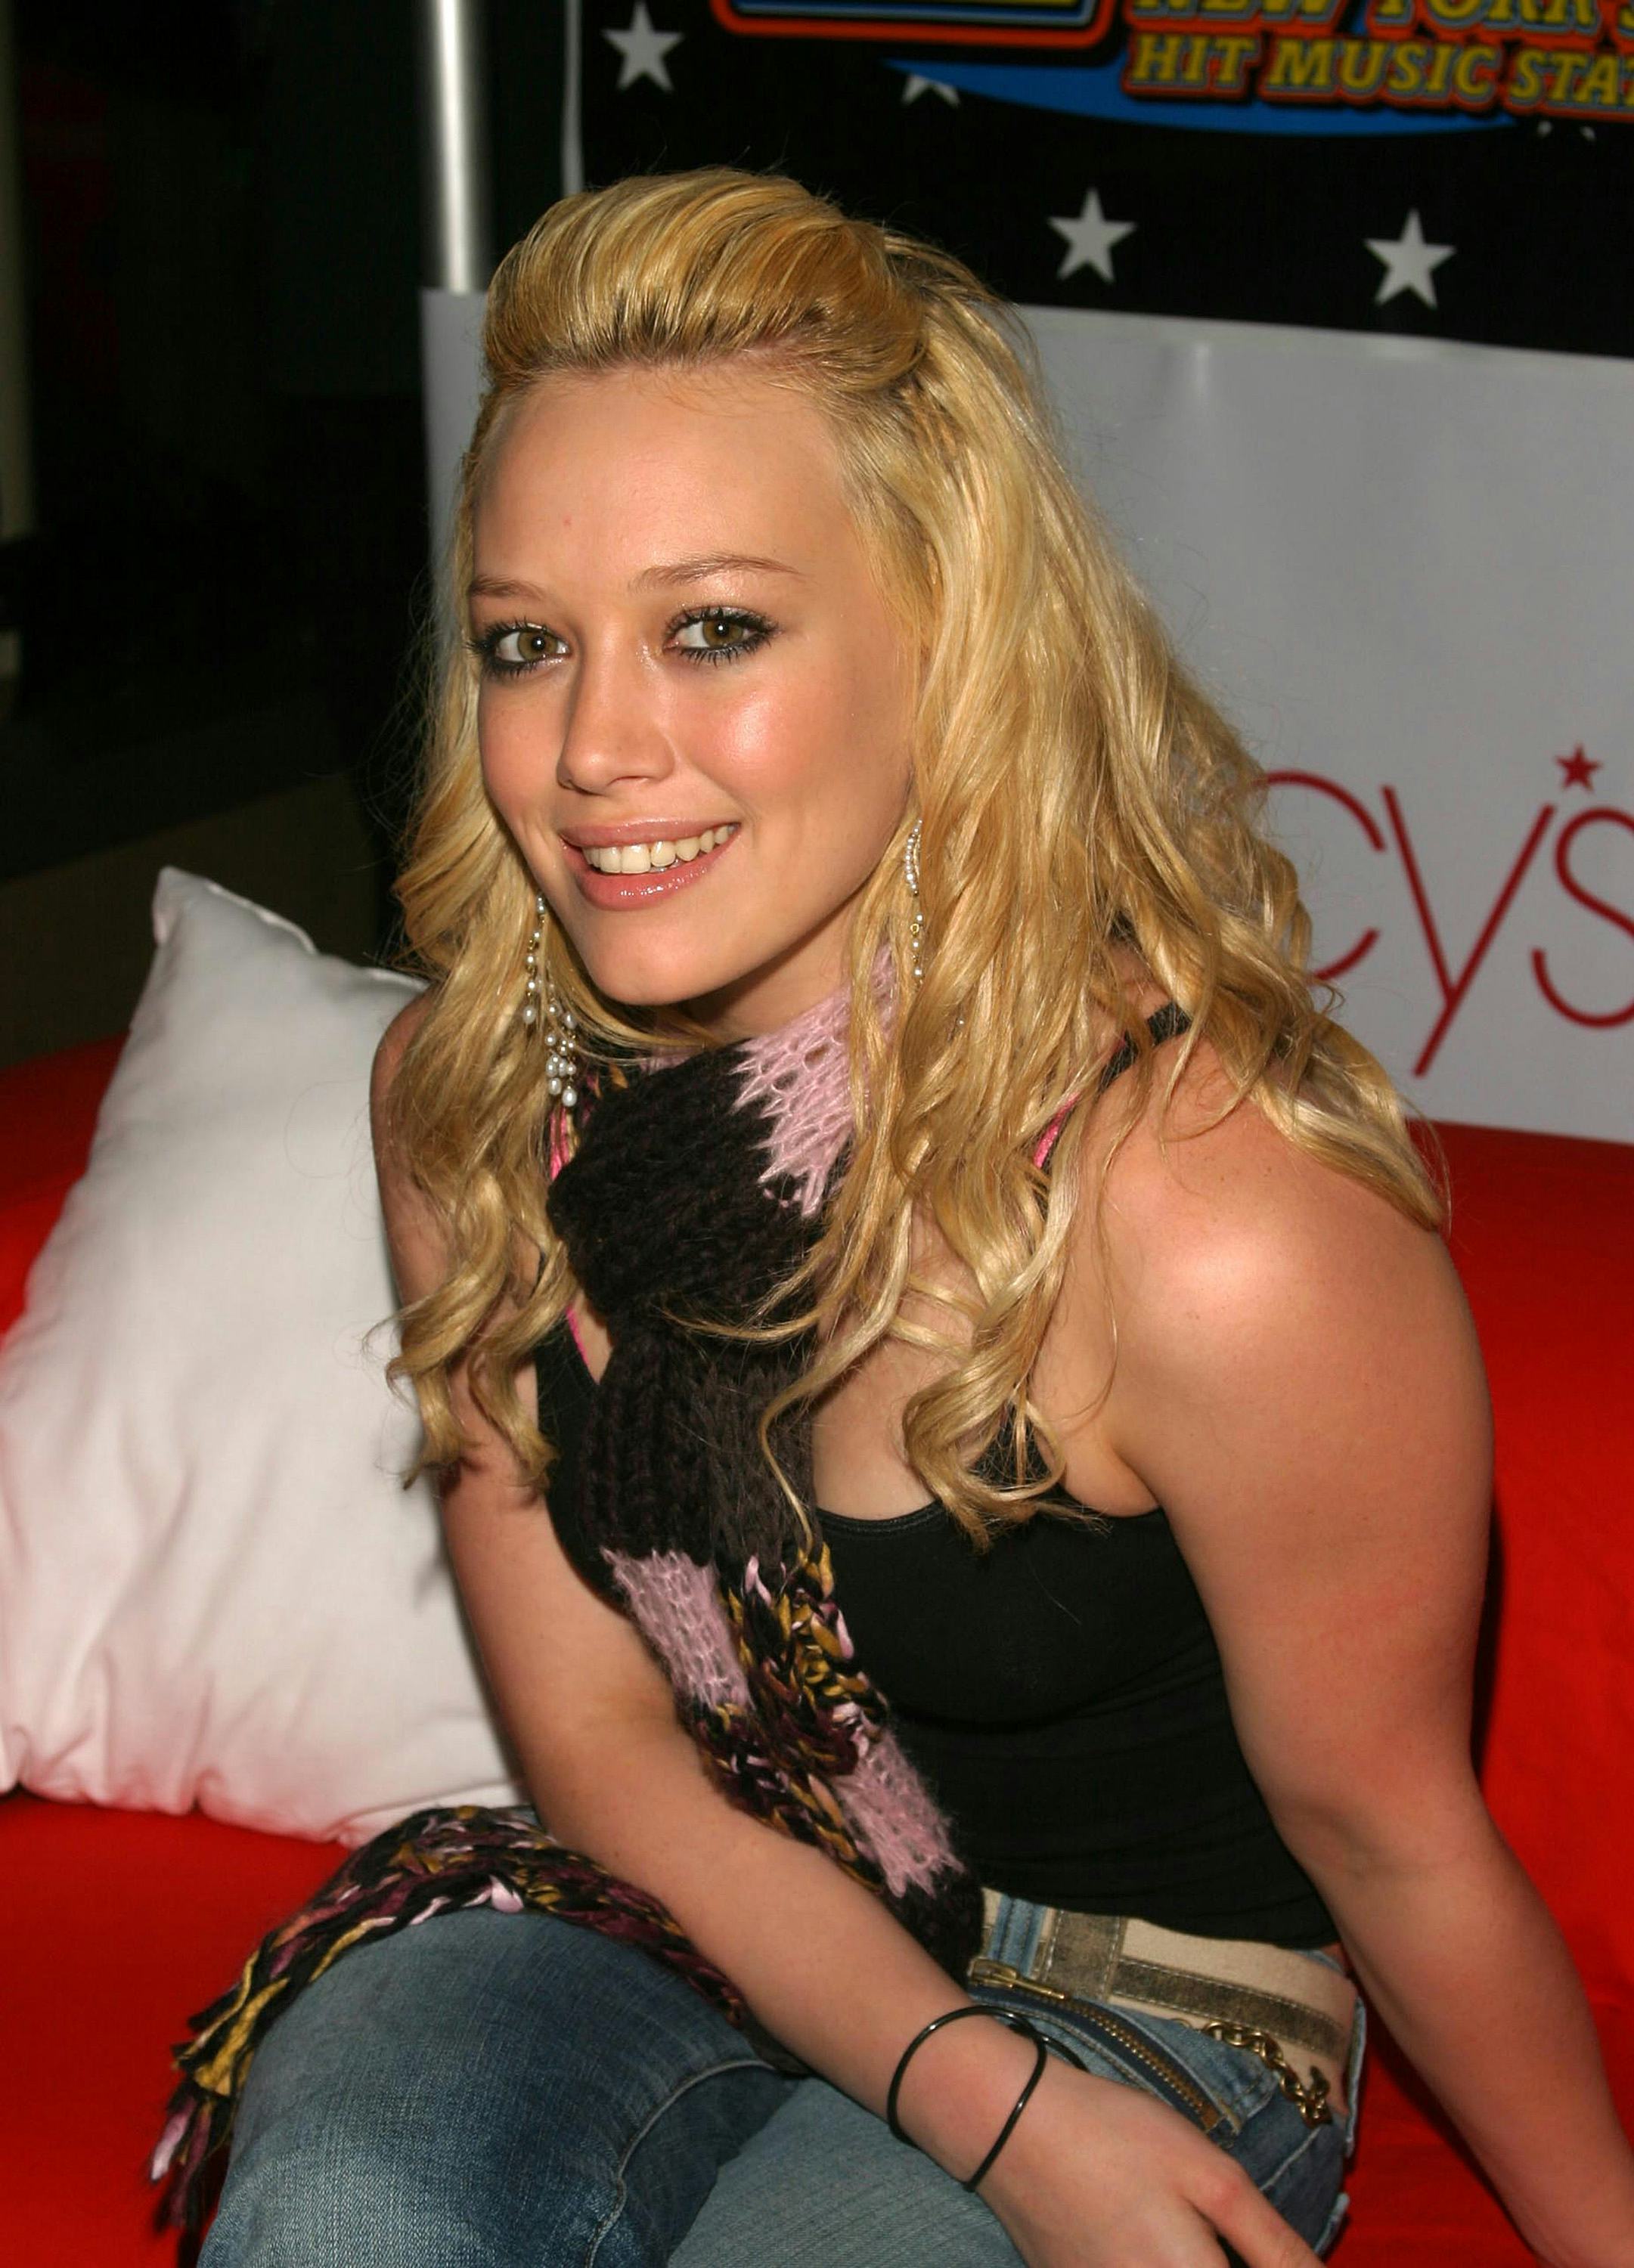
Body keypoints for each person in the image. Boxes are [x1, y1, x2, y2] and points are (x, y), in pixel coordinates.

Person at [178, 169, 1634, 2267]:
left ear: (943, 643)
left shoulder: (1209, 1207)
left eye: (713, 629)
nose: (592, 748)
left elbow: (1388, 1836)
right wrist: (972, 2095)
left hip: (1148, 2000)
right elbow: (600, 1738)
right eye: (526, 645)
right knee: (343, 2207)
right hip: (690, 1899)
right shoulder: (475, 1103)